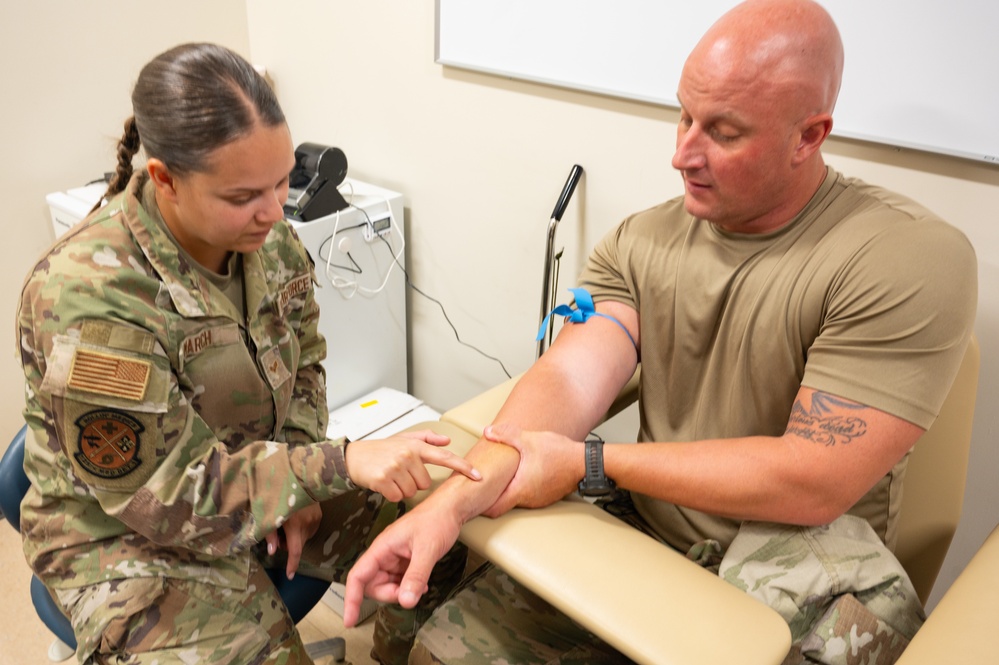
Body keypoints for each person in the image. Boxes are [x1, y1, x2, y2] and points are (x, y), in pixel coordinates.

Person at [343, 1, 978, 663]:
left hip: (798, 568)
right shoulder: (643, 239)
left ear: (807, 136)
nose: (681, 154)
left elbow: (814, 478)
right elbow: (569, 376)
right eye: (683, 115)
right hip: (653, 533)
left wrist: (589, 463)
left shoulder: (903, 256)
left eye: (723, 132)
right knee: (445, 648)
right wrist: (452, 502)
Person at [16, 43, 480, 665]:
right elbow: (166, 495)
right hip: (125, 537)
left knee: (436, 538)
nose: (272, 212)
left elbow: (307, 362)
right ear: (166, 180)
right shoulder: (90, 299)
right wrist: (324, 471)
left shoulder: (271, 243)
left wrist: (296, 483)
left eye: (282, 181)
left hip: (254, 481)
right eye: (242, 196)